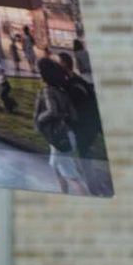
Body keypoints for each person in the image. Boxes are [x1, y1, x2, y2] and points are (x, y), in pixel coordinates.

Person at [34, 57, 89, 195]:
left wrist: (40, 118)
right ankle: (64, 194)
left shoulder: (48, 90)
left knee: (72, 177)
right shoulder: (62, 91)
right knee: (57, 169)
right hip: (67, 135)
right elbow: (73, 114)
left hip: (59, 137)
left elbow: (52, 111)